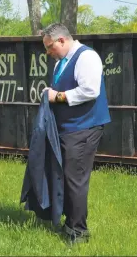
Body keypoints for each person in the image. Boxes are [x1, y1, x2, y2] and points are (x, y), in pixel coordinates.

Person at [40, 23, 111, 244]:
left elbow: (90, 90)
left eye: (49, 47)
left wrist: (56, 96)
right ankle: (69, 223)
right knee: (66, 177)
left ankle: (79, 232)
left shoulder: (86, 57)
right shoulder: (62, 61)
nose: (48, 52)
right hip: (68, 128)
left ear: (62, 40)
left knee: (75, 179)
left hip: (84, 127)